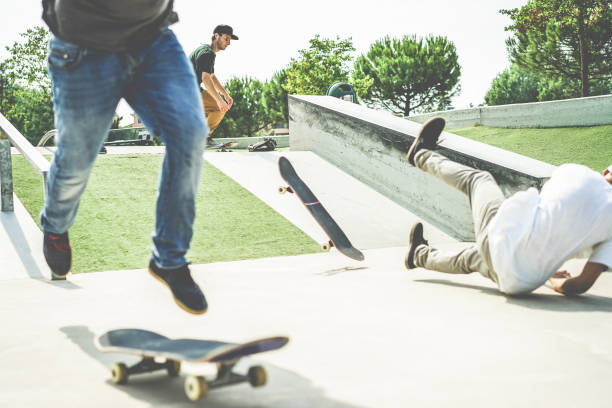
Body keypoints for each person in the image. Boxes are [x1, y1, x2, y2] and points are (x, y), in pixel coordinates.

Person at [40, 0, 209, 314]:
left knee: (190, 132)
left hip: (153, 39)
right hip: (83, 45)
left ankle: (169, 259)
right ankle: (56, 225)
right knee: (76, 159)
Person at [404, 117, 612, 296]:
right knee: (472, 257)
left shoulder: (578, 173)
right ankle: (417, 255)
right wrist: (553, 280)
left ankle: (421, 155)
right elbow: (581, 284)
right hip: (519, 283)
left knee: (479, 180)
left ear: (605, 172)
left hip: (502, 243)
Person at [189, 25, 238, 142]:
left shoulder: (206, 51)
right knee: (219, 108)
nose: (228, 43)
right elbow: (205, 78)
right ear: (217, 35)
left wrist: (225, 94)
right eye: (226, 38)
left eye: (230, 40)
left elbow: (212, 76)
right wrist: (219, 100)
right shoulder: (207, 53)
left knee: (208, 113)